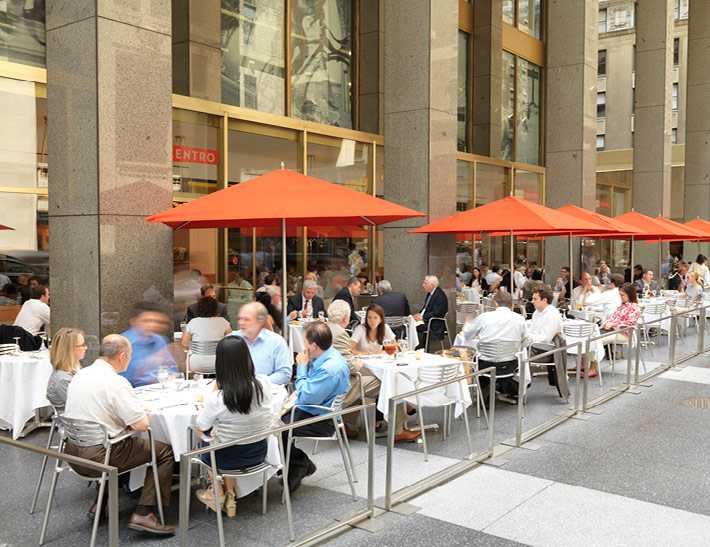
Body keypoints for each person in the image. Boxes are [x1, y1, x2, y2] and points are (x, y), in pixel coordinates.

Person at [63, 335, 175, 535]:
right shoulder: (116, 382)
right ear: (122, 356)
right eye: (130, 355)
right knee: (164, 452)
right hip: (99, 457)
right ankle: (143, 513)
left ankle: (100, 503)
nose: (130, 359)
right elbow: (141, 424)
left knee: (116, 441)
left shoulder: (80, 374)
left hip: (71, 453)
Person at [193, 336, 274, 517]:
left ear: (220, 363)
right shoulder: (264, 383)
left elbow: (201, 425)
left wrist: (218, 385)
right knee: (227, 439)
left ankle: (217, 492)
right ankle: (230, 496)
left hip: (225, 459)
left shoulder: (218, 398)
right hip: (258, 452)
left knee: (209, 437)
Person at [281, 322, 350, 492]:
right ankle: (289, 465)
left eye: (304, 342)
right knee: (276, 422)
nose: (303, 346)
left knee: (275, 429)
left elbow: (306, 396)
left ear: (313, 345)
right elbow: (310, 391)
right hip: (320, 411)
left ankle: (300, 463)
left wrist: (302, 367)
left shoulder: (327, 368)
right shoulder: (330, 356)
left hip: (322, 420)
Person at [462, 292, 529, 404]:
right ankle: (501, 388)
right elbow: (525, 342)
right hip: (509, 364)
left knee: (476, 358)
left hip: (485, 365)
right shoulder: (520, 319)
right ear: (512, 306)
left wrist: (467, 323)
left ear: (496, 304)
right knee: (514, 359)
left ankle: (484, 392)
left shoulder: (484, 317)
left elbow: (468, 334)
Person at [230, 302, 292, 385]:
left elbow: (284, 374)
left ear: (260, 322)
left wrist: (256, 384)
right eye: (240, 318)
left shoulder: (276, 342)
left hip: (268, 391)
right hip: (236, 390)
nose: (241, 323)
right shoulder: (231, 339)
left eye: (247, 319)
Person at [120, 302, 178, 387]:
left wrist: (171, 375)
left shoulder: (160, 340)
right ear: (133, 321)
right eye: (147, 321)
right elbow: (122, 378)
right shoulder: (121, 343)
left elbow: (171, 368)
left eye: (158, 322)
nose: (152, 325)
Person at [594, 283, 642, 378]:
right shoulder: (622, 305)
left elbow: (629, 322)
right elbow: (613, 317)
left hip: (623, 333)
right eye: (620, 295)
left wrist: (613, 324)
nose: (621, 297)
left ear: (630, 294)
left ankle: (592, 367)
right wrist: (606, 324)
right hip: (613, 330)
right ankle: (585, 365)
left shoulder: (634, 307)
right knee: (591, 337)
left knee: (595, 341)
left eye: (623, 295)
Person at [181, 296, 232, 374]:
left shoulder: (192, 322)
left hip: (196, 365)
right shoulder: (223, 322)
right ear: (216, 309)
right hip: (219, 363)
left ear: (198, 309)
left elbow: (184, 344)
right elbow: (230, 341)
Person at [46, 327, 87, 413]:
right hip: (78, 422)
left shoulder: (73, 368)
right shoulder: (63, 379)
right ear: (70, 349)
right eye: (82, 345)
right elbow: (80, 405)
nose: (86, 347)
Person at [414, 275, 449, 349]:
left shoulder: (440, 296)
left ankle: (417, 349)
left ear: (432, 285)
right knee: (409, 325)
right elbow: (426, 307)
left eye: (425, 283)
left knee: (413, 328)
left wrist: (423, 317)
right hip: (428, 320)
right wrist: (419, 314)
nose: (423, 285)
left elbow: (437, 313)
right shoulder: (430, 293)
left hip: (434, 323)